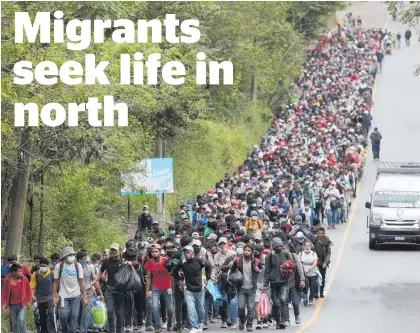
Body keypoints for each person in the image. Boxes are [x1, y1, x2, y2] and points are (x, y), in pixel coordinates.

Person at [173, 246, 211, 333]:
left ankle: (200, 323)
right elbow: (175, 271)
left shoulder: (199, 260)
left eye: (188, 252)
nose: (186, 254)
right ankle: (193, 326)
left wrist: (207, 278)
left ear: (192, 253)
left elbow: (208, 266)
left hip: (200, 289)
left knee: (200, 308)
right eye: (185, 253)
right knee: (190, 308)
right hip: (188, 289)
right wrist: (179, 280)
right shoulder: (182, 262)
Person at [53, 246, 88, 333]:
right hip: (62, 296)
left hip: (75, 296)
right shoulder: (59, 266)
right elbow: (55, 282)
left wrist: (84, 296)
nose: (71, 256)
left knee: (74, 316)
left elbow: (81, 281)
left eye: (73, 254)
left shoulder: (78, 266)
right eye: (69, 255)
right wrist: (55, 296)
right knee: (63, 315)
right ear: (65, 256)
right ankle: (64, 330)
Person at [229, 244, 263, 331]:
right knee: (241, 307)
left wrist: (257, 270)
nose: (246, 252)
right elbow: (231, 271)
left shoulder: (256, 261)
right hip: (241, 289)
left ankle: (249, 325)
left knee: (251, 308)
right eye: (245, 250)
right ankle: (242, 321)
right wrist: (233, 279)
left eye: (249, 250)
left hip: (252, 288)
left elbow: (262, 271)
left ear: (252, 252)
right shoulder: (238, 261)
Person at [263, 238, 293, 329]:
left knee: (283, 299)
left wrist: (287, 266)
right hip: (273, 282)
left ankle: (284, 320)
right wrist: (265, 284)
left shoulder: (286, 253)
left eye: (281, 246)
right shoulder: (269, 256)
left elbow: (293, 265)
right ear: (273, 246)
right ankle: (278, 322)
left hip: (284, 281)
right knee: (276, 303)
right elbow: (267, 271)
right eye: (277, 246)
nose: (279, 247)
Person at [94, 243, 124, 333]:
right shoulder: (107, 261)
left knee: (119, 313)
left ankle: (120, 330)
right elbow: (100, 272)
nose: (113, 252)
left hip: (120, 290)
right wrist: (95, 280)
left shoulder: (123, 261)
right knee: (110, 311)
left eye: (115, 250)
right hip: (109, 289)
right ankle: (112, 330)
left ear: (119, 251)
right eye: (112, 250)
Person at [145, 244, 174, 333]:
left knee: (170, 308)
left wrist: (171, 286)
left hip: (167, 287)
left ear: (160, 252)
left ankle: (169, 323)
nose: (154, 253)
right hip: (155, 288)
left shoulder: (166, 261)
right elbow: (149, 278)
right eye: (152, 252)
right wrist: (147, 291)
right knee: (154, 307)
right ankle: (158, 326)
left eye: (156, 251)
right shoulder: (149, 263)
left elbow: (172, 274)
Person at [2, 263, 33, 333]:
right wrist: (3, 303)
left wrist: (28, 300)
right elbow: (4, 292)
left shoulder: (24, 279)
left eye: (22, 271)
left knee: (21, 320)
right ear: (13, 272)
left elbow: (29, 290)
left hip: (22, 304)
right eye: (19, 271)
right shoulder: (7, 280)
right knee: (15, 323)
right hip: (12, 305)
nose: (21, 273)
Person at [77, 251, 103, 333]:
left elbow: (95, 281)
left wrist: (100, 293)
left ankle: (82, 331)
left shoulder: (90, 268)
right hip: (76, 293)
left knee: (85, 314)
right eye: (83, 260)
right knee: (77, 314)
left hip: (88, 293)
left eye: (86, 259)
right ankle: (76, 328)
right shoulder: (74, 268)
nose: (85, 261)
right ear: (78, 260)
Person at [30, 258, 55, 333]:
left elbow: (56, 284)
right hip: (40, 298)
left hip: (50, 297)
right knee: (42, 316)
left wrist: (56, 296)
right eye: (41, 266)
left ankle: (52, 331)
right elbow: (32, 287)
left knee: (50, 313)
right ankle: (44, 331)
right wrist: (33, 296)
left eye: (44, 266)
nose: (42, 267)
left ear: (48, 265)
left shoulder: (52, 273)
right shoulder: (36, 274)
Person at [298, 241, 318, 306]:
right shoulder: (300, 253)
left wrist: (311, 267)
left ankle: (311, 298)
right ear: (304, 246)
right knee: (304, 285)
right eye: (306, 245)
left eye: (309, 245)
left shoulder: (313, 253)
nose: (307, 247)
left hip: (312, 272)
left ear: (311, 246)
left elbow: (315, 262)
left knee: (312, 286)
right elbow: (298, 262)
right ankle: (305, 297)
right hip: (303, 272)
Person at [313, 227, 332, 298]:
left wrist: (326, 262)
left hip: (323, 263)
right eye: (319, 233)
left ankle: (321, 292)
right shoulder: (314, 240)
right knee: (314, 278)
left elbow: (328, 253)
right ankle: (315, 293)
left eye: (322, 233)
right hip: (315, 262)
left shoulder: (326, 241)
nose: (321, 235)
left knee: (322, 278)